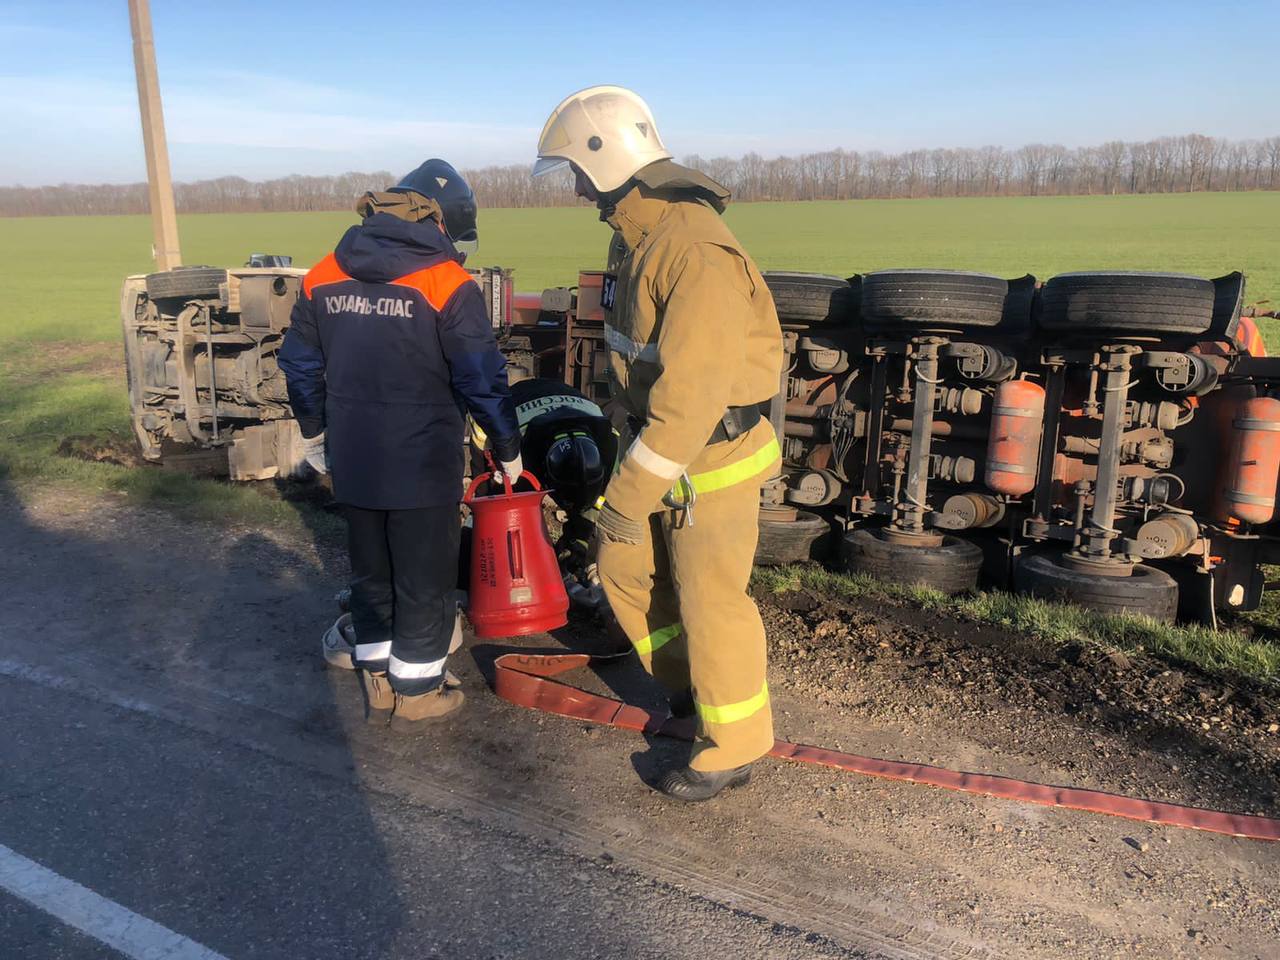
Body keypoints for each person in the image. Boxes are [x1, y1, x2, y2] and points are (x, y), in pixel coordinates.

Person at [533, 86, 784, 800]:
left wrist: (625, 498)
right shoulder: (634, 236)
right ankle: (686, 689)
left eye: (576, 171)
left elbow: (690, 401)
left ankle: (734, 739)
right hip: (659, 451)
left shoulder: (692, 249)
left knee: (710, 600)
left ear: (606, 158)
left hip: (711, 459)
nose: (576, 188)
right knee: (624, 569)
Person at [279, 159, 522, 730]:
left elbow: (298, 363)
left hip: (353, 457)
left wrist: (314, 431)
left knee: (371, 573)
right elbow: (480, 379)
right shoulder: (448, 284)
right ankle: (416, 691)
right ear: (445, 225)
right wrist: (506, 445)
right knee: (422, 581)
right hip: (422, 460)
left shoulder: (323, 275)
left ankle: (378, 680)